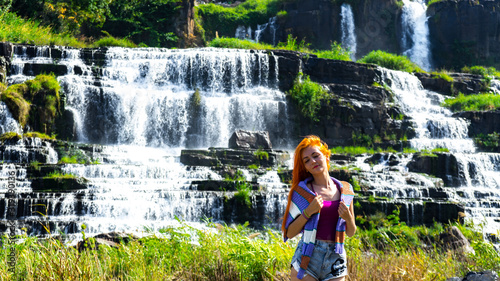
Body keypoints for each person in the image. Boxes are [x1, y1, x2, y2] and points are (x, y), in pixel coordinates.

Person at [282, 135, 356, 281]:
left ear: (326, 156)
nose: (313, 161)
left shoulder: (346, 190)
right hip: (308, 256)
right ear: (305, 168)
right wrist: (308, 212)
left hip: (336, 256)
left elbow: (351, 232)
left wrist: (348, 218)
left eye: (316, 156)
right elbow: (289, 233)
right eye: (307, 160)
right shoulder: (302, 193)